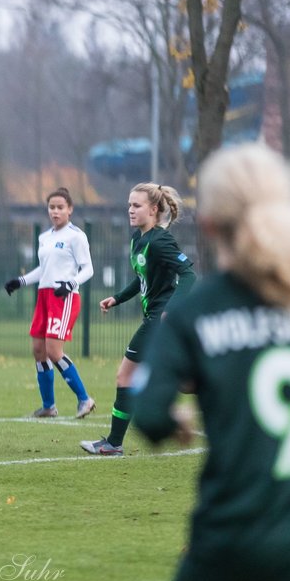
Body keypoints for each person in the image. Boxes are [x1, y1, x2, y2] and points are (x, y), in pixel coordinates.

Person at [131, 143, 290, 581]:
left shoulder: (198, 310)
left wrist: (173, 421)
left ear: (207, 223)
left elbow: (147, 415)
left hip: (235, 535)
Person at [80, 182, 196, 456]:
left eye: (136, 205)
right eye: (129, 205)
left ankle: (113, 444)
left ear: (154, 210)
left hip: (159, 320)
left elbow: (189, 273)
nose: (130, 210)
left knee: (125, 375)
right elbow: (141, 277)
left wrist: (171, 309)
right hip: (155, 318)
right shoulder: (138, 239)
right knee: (182, 381)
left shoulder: (160, 240)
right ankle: (224, 388)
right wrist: (117, 298)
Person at [2, 187, 96, 419]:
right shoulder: (45, 237)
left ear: (70, 210)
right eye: (52, 207)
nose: (55, 211)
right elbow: (44, 270)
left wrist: (70, 285)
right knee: (38, 350)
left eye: (60, 207)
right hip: (44, 296)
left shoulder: (76, 236)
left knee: (54, 351)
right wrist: (20, 281)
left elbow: (89, 269)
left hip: (63, 298)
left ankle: (85, 399)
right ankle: (48, 406)